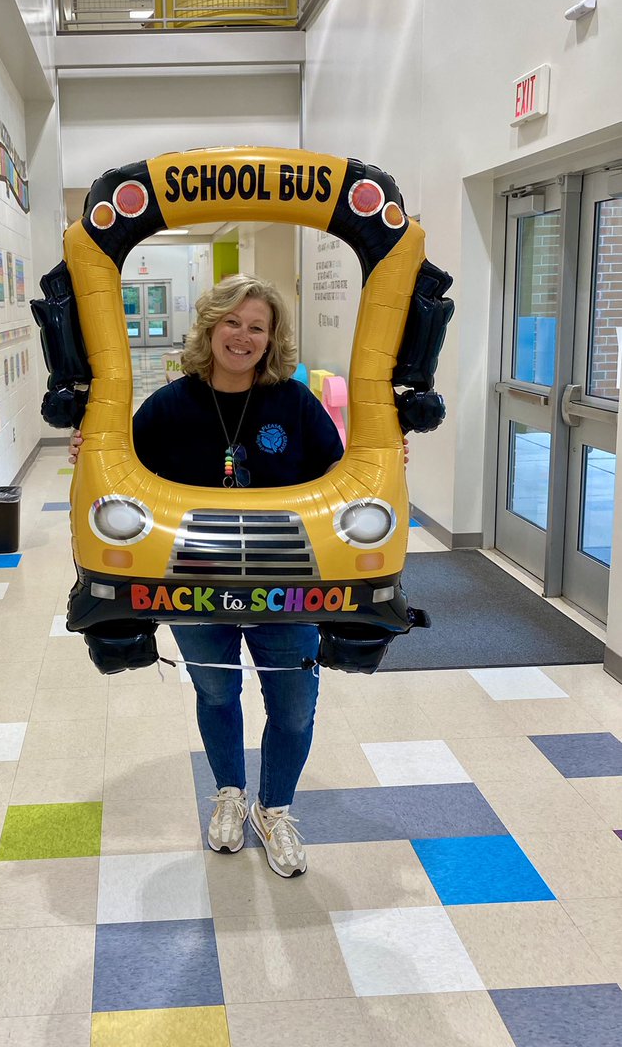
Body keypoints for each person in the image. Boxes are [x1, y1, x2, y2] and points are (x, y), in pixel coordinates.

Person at [70, 273, 406, 878]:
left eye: (257, 327)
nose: (243, 336)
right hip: (191, 583)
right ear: (210, 325)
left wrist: (384, 459)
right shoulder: (170, 406)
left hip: (290, 585)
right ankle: (229, 793)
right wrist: (85, 450)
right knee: (218, 692)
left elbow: (344, 475)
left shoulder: (294, 404)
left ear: (271, 338)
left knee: (295, 703)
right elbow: (117, 467)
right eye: (232, 322)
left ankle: (274, 810)